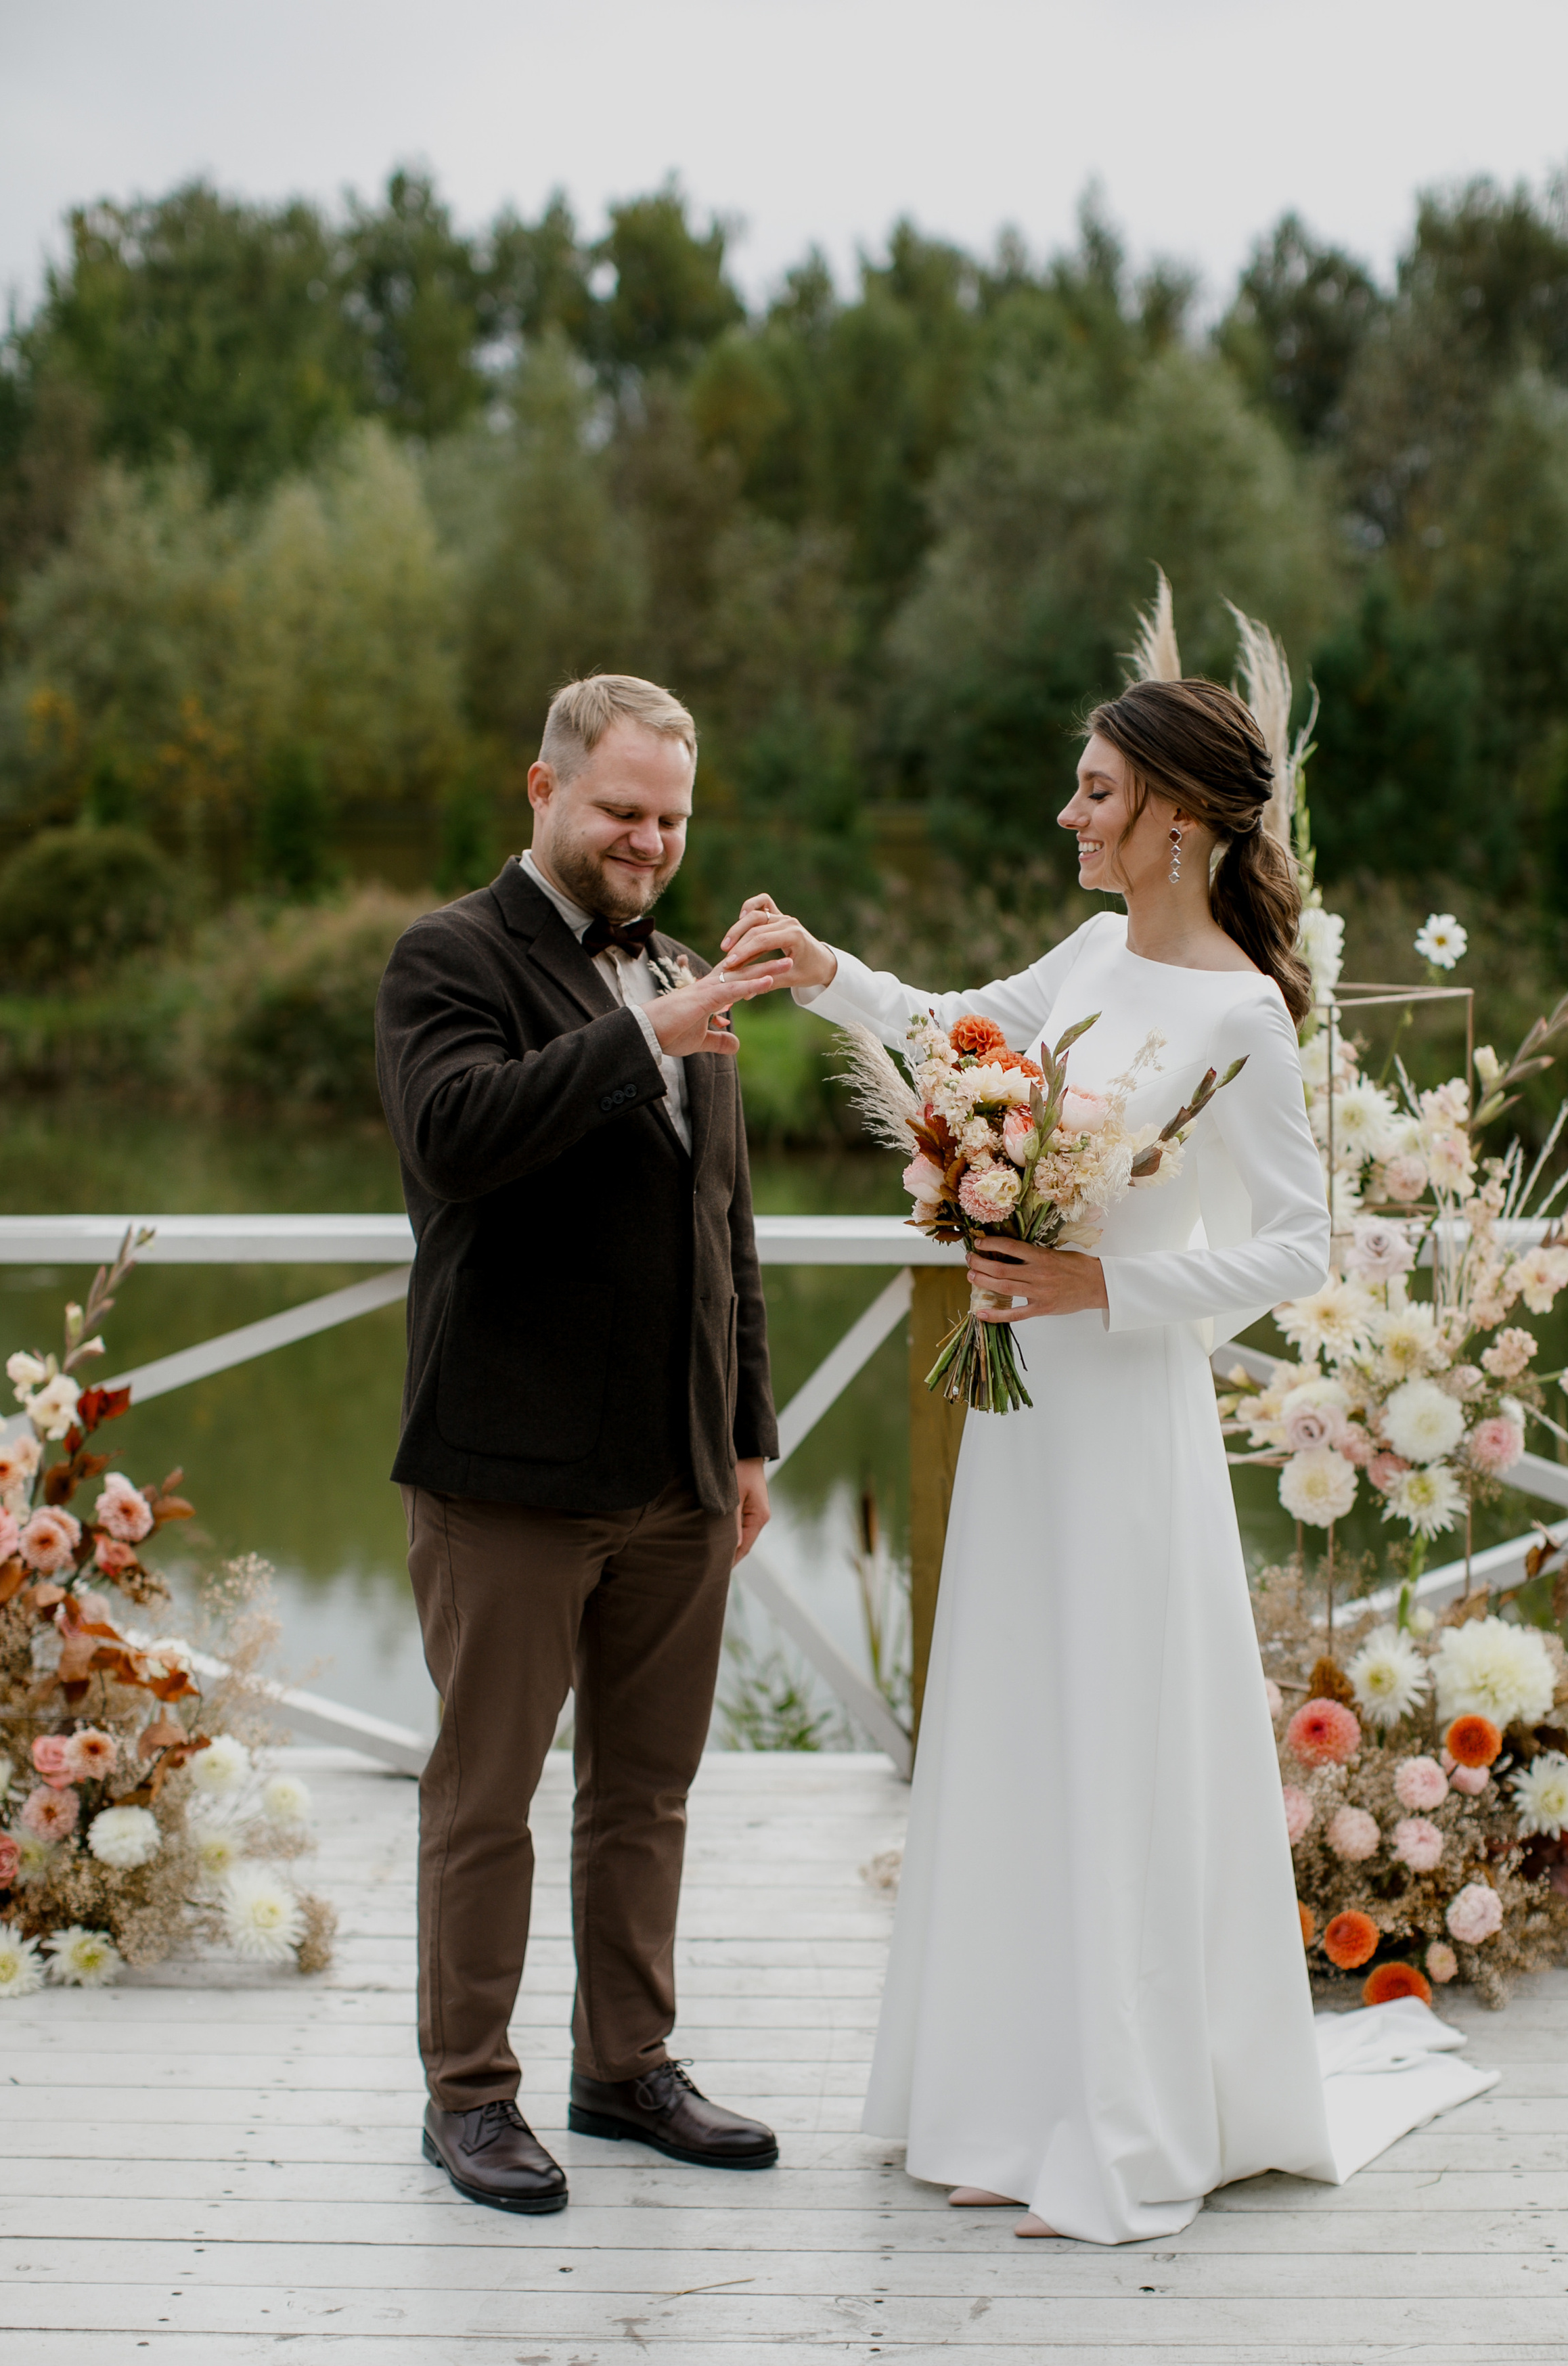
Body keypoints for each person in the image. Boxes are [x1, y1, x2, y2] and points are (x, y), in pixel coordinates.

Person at [718, 672, 1494, 2244]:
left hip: (1125, 1412)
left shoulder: (1239, 1015)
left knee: (1113, 1733)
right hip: (1022, 1420)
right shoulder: (1087, 952)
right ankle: (1002, 2103)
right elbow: (961, 1030)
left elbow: (1295, 1246)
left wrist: (1108, 1285)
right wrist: (825, 975)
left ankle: (1120, 2122)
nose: (1067, 815)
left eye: (1092, 792)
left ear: (1179, 819)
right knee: (1014, 1723)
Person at [376, 673, 792, 2214]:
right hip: (506, 1469)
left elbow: (724, 1220)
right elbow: (457, 1141)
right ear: (540, 792)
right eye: (623, 809)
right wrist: (644, 1035)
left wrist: (745, 1432)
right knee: (484, 1796)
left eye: (673, 817)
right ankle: (466, 2095)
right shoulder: (448, 956)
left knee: (647, 1793)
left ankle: (624, 2068)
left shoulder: (683, 966)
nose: (650, 840)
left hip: (677, 1472)